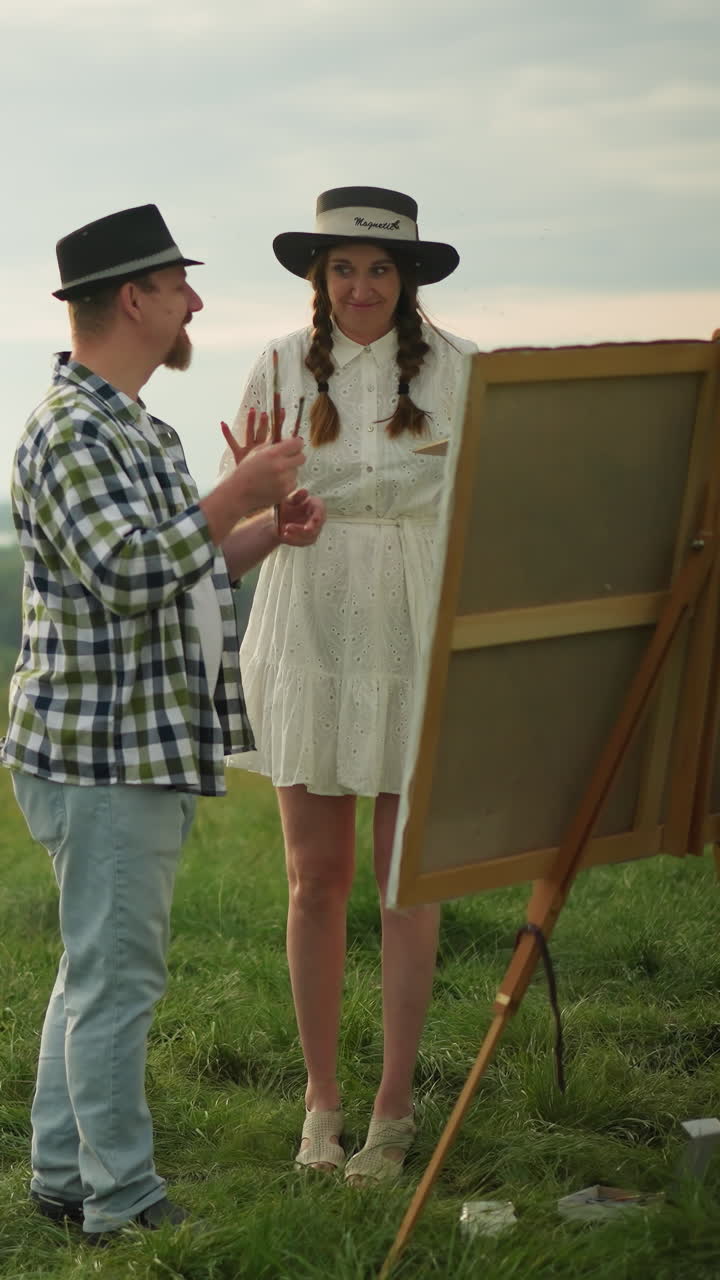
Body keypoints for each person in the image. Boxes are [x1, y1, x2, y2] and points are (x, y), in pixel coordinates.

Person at [1, 203, 325, 1240]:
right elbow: (129, 572)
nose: (195, 302)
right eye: (180, 284)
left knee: (91, 970)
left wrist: (264, 527)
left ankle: (62, 1175)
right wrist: (234, 491)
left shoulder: (140, 425)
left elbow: (183, 573)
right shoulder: (69, 430)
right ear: (135, 297)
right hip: (100, 754)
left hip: (131, 746)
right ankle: (123, 1204)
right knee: (118, 980)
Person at [219, 186, 477, 1182]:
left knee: (405, 880)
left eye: (379, 268)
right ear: (319, 277)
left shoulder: (458, 371)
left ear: (407, 277)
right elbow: (249, 492)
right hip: (309, 628)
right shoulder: (280, 363)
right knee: (313, 877)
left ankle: (394, 1106)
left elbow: (480, 496)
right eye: (343, 268)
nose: (361, 285)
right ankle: (320, 1104)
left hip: (415, 629)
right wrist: (282, 496)